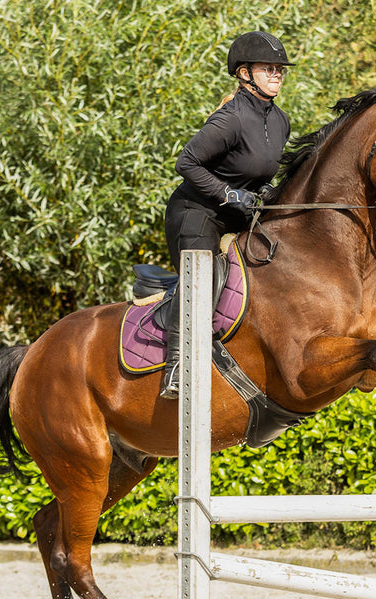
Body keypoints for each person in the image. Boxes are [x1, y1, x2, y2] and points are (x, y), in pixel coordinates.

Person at [159, 31, 294, 398]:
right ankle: (176, 366)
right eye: (269, 68)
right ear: (244, 73)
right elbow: (186, 163)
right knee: (200, 286)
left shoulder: (281, 121)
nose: (277, 74)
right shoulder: (231, 118)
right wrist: (230, 193)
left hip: (237, 215)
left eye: (280, 69)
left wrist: (265, 193)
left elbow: (256, 175)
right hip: (197, 212)